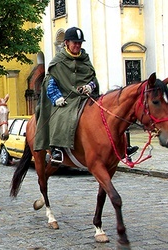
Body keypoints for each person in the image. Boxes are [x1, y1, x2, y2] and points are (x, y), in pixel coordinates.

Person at [34, 27, 137, 162]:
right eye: (74, 42)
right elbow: (50, 82)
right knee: (61, 115)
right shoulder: (58, 61)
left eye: (79, 43)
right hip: (66, 99)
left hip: (85, 98)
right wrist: (56, 97)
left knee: (110, 115)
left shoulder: (85, 59)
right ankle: (57, 148)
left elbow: (93, 79)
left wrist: (90, 86)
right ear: (66, 43)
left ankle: (122, 147)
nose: (77, 45)